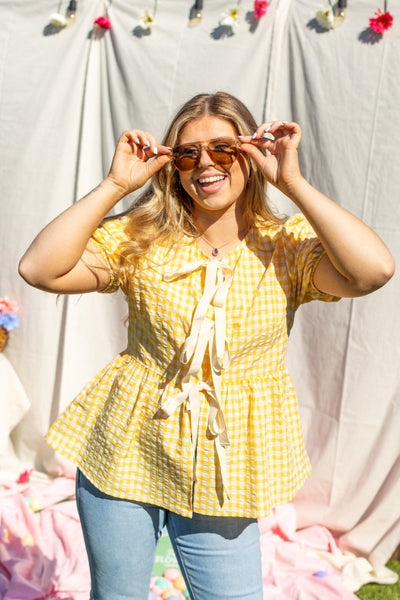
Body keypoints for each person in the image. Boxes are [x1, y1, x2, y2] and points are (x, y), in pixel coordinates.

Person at [19, 92, 395, 600]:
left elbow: (375, 270)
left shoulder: (287, 247)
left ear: (250, 153)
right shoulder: (140, 239)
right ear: (173, 167)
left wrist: (293, 182)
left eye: (222, 149)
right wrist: (114, 185)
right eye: (187, 154)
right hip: (125, 445)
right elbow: (39, 269)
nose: (205, 165)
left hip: (227, 463)